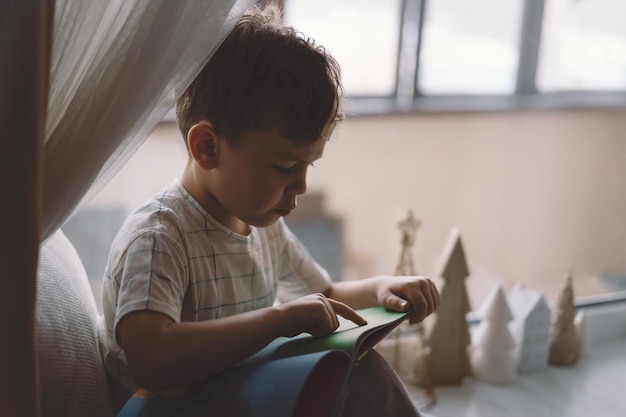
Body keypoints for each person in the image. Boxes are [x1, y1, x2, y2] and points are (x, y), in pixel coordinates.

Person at [101, 3, 439, 416]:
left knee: (359, 370)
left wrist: (383, 287)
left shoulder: (260, 225)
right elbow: (150, 358)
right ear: (207, 147)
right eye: (284, 167)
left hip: (241, 396)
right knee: (360, 380)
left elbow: (326, 294)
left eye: (307, 166)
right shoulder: (159, 236)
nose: (300, 186)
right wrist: (279, 319)